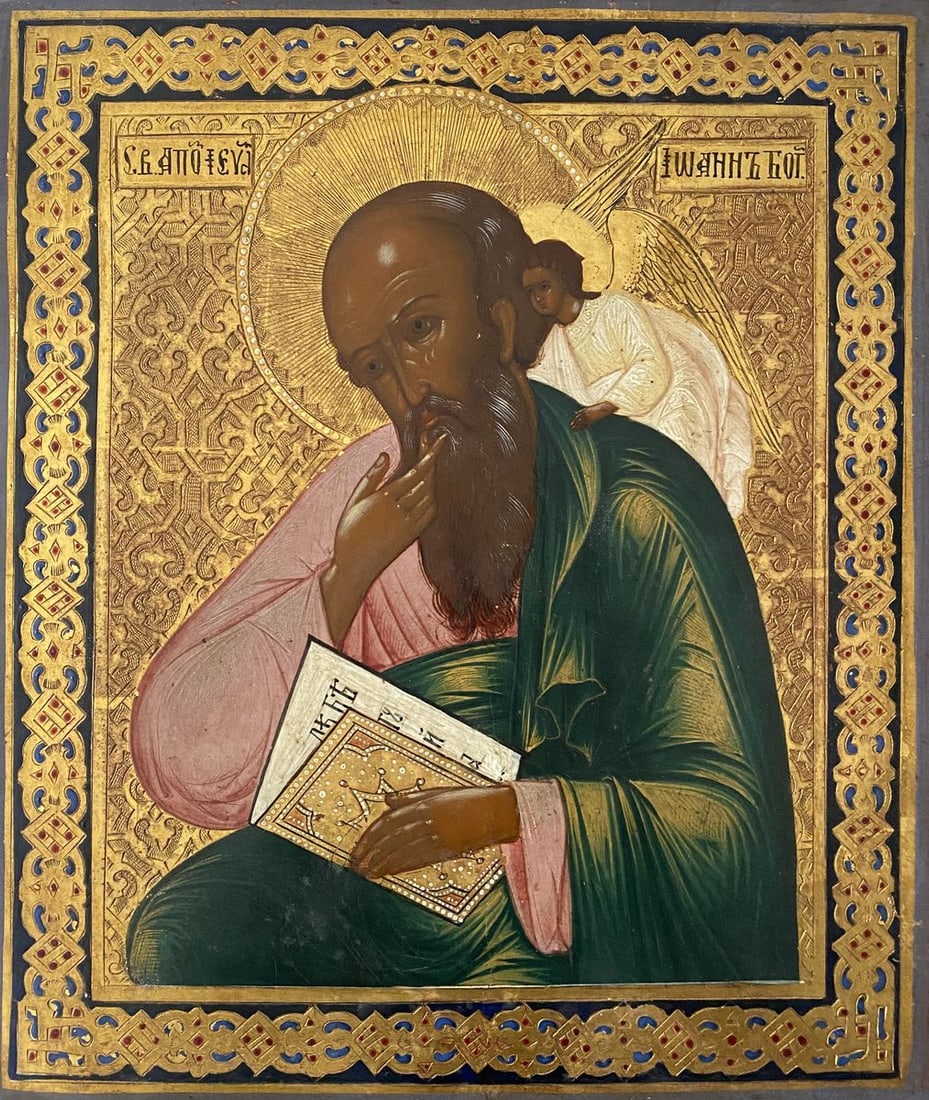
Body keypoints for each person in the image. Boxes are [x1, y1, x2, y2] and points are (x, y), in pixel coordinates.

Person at [126, 181, 798, 988]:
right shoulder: (374, 488)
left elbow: (726, 831)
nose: (408, 392)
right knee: (180, 933)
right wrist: (346, 575)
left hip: (555, 902)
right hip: (382, 884)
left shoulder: (637, 497)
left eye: (420, 329)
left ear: (502, 320)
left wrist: (504, 815)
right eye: (372, 367)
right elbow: (183, 753)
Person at [523, 240, 754, 516]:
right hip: (617, 424)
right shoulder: (554, 343)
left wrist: (603, 407)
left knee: (672, 484)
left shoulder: (614, 308)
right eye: (530, 291)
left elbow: (652, 366)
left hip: (669, 404)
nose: (538, 298)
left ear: (565, 279)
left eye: (544, 287)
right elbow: (543, 391)